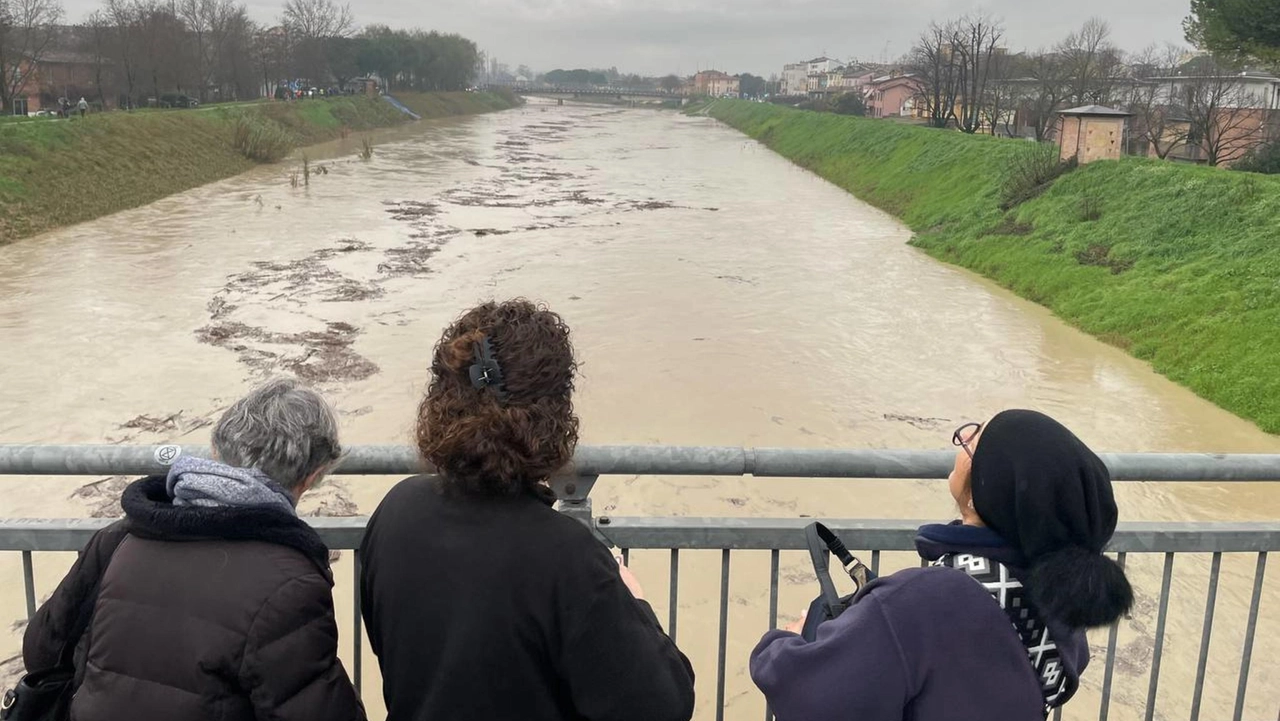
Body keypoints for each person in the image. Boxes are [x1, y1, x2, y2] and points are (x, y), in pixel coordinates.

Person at [360, 299, 696, 721]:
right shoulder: (568, 557)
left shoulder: (395, 511)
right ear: (555, 415)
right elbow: (663, 705)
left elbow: (387, 647)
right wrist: (635, 601)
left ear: (443, 397)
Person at [751, 409, 1134, 721]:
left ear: (988, 488)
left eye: (974, 442)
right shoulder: (1060, 598)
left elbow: (811, 698)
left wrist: (787, 642)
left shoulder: (922, 600)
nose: (962, 442)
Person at [23, 378, 365, 721]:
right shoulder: (291, 586)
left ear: (216, 449)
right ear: (313, 476)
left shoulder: (118, 540)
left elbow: (40, 653)